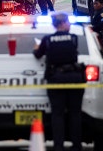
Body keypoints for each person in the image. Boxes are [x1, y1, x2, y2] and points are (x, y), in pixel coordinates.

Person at [33, 12, 84, 151]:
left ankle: (58, 145)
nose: (69, 25)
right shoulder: (73, 38)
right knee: (75, 113)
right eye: (67, 22)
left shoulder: (47, 39)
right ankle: (76, 145)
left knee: (57, 113)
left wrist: (36, 48)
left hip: (56, 78)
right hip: (74, 78)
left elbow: (38, 55)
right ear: (62, 23)